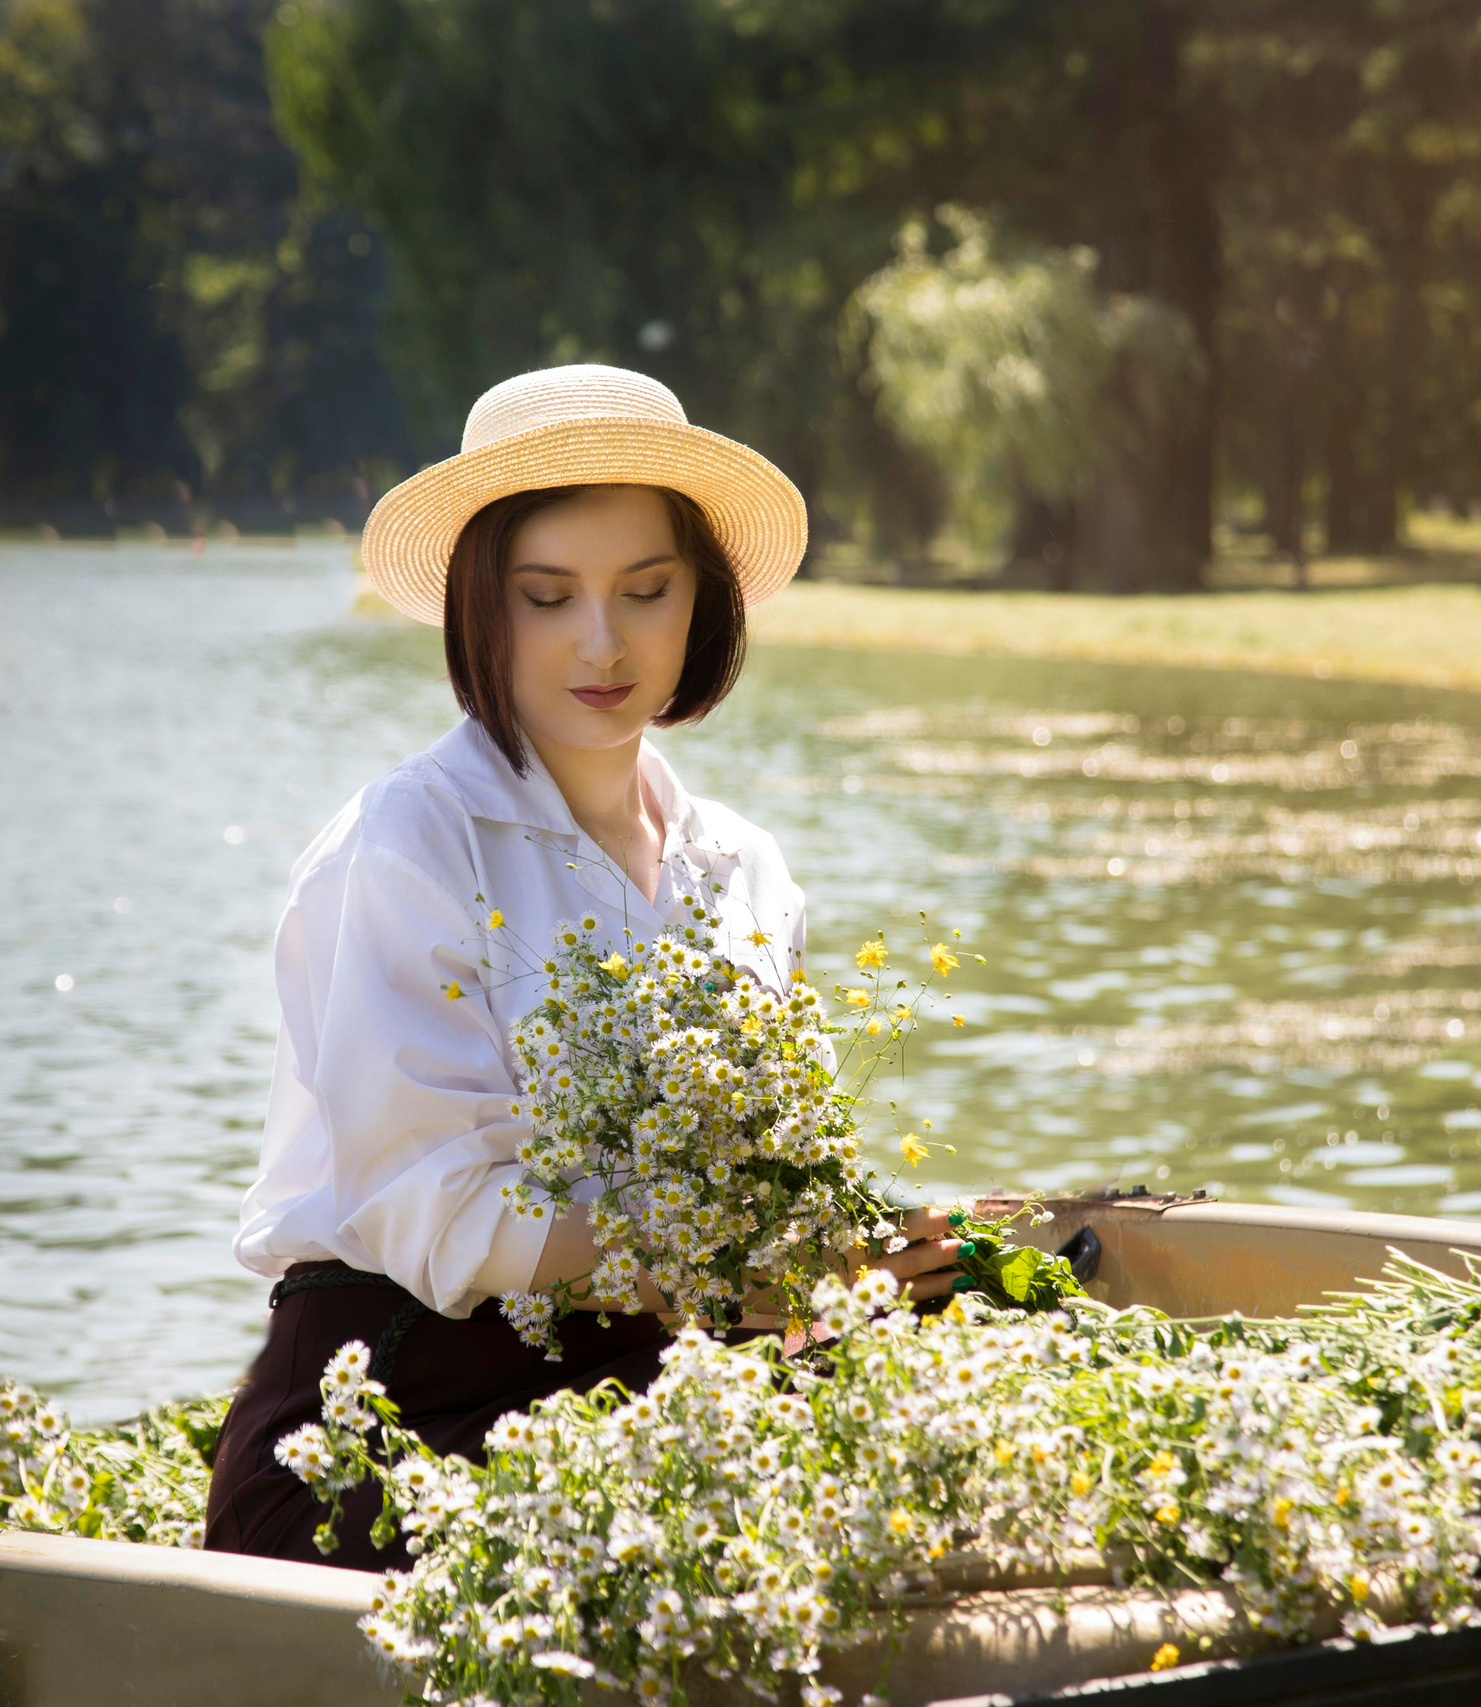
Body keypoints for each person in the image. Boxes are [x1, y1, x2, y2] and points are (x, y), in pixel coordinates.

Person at [202, 365, 964, 1568]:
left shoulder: (742, 872)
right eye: (546, 597)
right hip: (387, 1431)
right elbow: (444, 1222)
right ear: (478, 609)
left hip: (658, 1408)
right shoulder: (405, 842)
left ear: (700, 601)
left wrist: (853, 1258)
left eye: (645, 591)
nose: (601, 644)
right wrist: (733, 1263)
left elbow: (772, 1182)